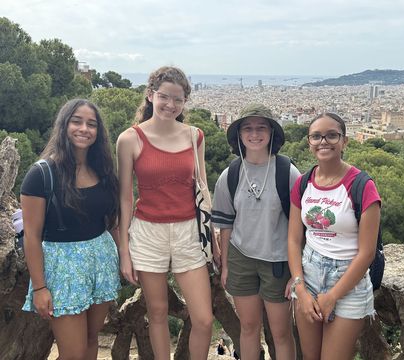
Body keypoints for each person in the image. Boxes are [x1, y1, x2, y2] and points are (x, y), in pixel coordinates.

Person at [116, 66, 214, 359]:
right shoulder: (129, 139)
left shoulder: (195, 136)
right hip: (147, 232)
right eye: (164, 97)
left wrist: (213, 234)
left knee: (204, 319)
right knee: (156, 313)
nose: (170, 105)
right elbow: (125, 198)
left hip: (188, 231)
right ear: (150, 95)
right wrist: (124, 251)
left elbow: (203, 190)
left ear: (185, 103)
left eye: (178, 100)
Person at [21, 99, 121, 359]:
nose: (84, 129)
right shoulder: (41, 174)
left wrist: (124, 258)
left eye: (91, 124)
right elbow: (31, 236)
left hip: (101, 261)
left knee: (90, 339)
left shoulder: (103, 170)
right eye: (76, 121)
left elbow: (112, 222)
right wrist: (40, 288)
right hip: (63, 269)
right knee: (73, 352)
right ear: (64, 125)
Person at [288, 112, 381, 360]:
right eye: (316, 136)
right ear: (309, 142)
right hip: (309, 274)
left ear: (344, 141)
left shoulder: (362, 185)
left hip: (348, 280)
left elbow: (367, 252)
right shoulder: (303, 183)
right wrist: (300, 288)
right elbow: (294, 239)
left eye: (332, 135)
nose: (323, 142)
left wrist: (333, 296)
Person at [212, 103, 300, 360]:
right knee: (248, 327)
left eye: (261, 127)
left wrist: (297, 273)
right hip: (242, 257)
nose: (254, 133)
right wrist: (226, 265)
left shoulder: (288, 173)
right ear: (239, 135)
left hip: (278, 259)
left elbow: (298, 226)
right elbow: (226, 225)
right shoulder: (231, 174)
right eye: (247, 128)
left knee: (281, 332)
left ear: (272, 133)